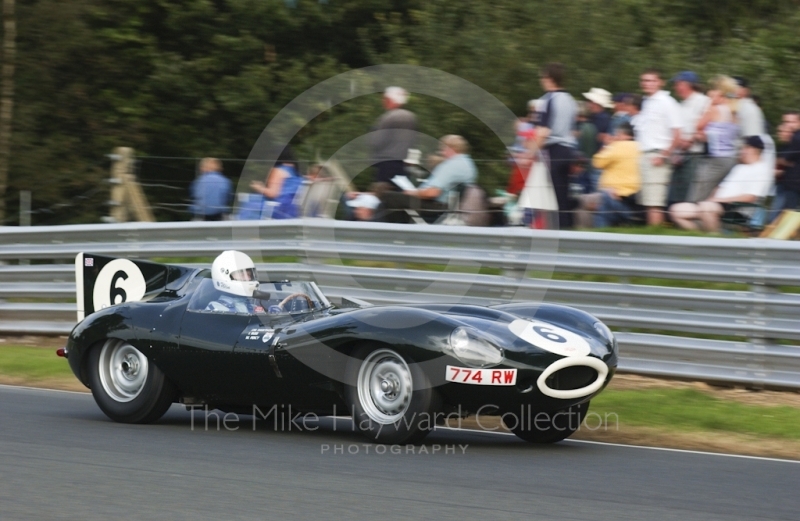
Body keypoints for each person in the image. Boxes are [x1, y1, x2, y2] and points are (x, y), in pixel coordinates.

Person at [669, 136, 773, 232]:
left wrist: (718, 201)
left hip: (738, 210)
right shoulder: (740, 167)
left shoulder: (762, 170)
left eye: (744, 148)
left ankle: (715, 238)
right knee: (676, 210)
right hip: (717, 206)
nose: (742, 151)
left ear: (753, 149)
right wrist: (712, 199)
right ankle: (701, 239)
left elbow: (750, 198)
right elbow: (719, 188)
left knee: (706, 208)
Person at [377, 135, 477, 224]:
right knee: (396, 199)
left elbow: (432, 193)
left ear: (450, 148)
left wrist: (413, 193)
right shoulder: (469, 165)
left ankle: (394, 232)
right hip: (449, 206)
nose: (442, 152)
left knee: (389, 196)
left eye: (442, 149)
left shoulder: (451, 165)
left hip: (436, 207)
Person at [635, 68, 682, 225]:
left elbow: (677, 133)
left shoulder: (667, 102)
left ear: (660, 82)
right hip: (645, 154)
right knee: (648, 200)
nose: (647, 84)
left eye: (652, 80)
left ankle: (655, 237)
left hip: (657, 154)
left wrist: (664, 155)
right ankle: (653, 236)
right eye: (645, 80)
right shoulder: (647, 102)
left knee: (654, 201)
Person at [535, 63, 579, 229]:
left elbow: (543, 131)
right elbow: (573, 130)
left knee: (553, 196)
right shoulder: (571, 100)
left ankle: (558, 232)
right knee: (564, 194)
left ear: (549, 78)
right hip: (568, 150)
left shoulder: (547, 100)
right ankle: (568, 229)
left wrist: (529, 153)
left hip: (553, 150)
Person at [575, 122, 641, 228]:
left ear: (621, 134)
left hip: (614, 196)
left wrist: (606, 145)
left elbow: (597, 162)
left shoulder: (616, 146)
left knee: (584, 202)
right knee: (596, 205)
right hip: (632, 199)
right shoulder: (639, 147)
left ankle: (591, 236)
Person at [686, 75, 740, 203]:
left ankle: (690, 218)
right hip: (730, 158)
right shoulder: (733, 111)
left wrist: (709, 103)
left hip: (716, 159)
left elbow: (697, 125)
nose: (709, 92)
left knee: (697, 195)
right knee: (713, 194)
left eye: (712, 89)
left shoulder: (714, 109)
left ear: (720, 92)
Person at [668, 71, 710, 205]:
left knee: (690, 189)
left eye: (678, 84)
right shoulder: (682, 104)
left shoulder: (703, 101)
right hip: (680, 153)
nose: (675, 87)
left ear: (687, 85)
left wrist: (690, 139)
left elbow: (708, 124)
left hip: (695, 153)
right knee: (677, 190)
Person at [370, 86, 418, 186]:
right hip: (401, 162)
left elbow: (376, 141)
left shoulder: (389, 117)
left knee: (383, 192)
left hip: (386, 163)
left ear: (390, 100)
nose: (383, 101)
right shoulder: (411, 117)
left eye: (385, 98)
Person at [249, 145, 303, 219]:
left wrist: (259, 188)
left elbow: (273, 194)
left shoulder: (278, 170)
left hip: (280, 209)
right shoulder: (296, 171)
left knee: (250, 203)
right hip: (293, 209)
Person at [770, 112, 800, 218]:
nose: (788, 125)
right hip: (788, 183)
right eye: (786, 122)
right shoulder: (791, 141)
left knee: (781, 217)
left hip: (793, 185)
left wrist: (782, 161)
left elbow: (784, 159)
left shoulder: (796, 138)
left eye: (792, 121)